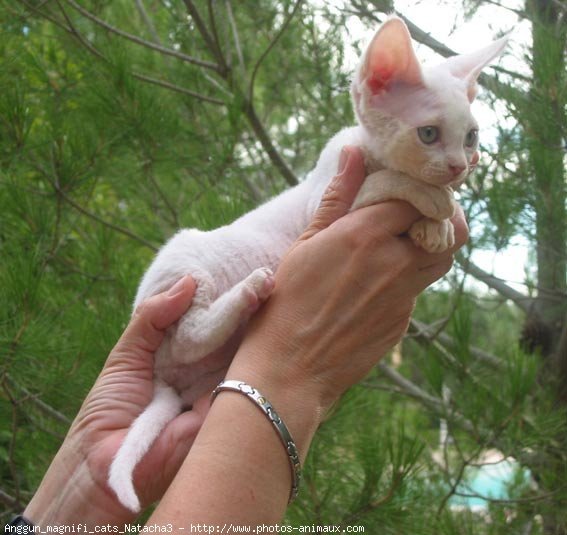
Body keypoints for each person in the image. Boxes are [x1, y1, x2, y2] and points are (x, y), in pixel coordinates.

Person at [16, 146, 467, 529]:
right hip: (201, 318)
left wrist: (88, 480)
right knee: (190, 267)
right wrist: (286, 376)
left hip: (200, 368)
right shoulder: (351, 153)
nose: (459, 160)